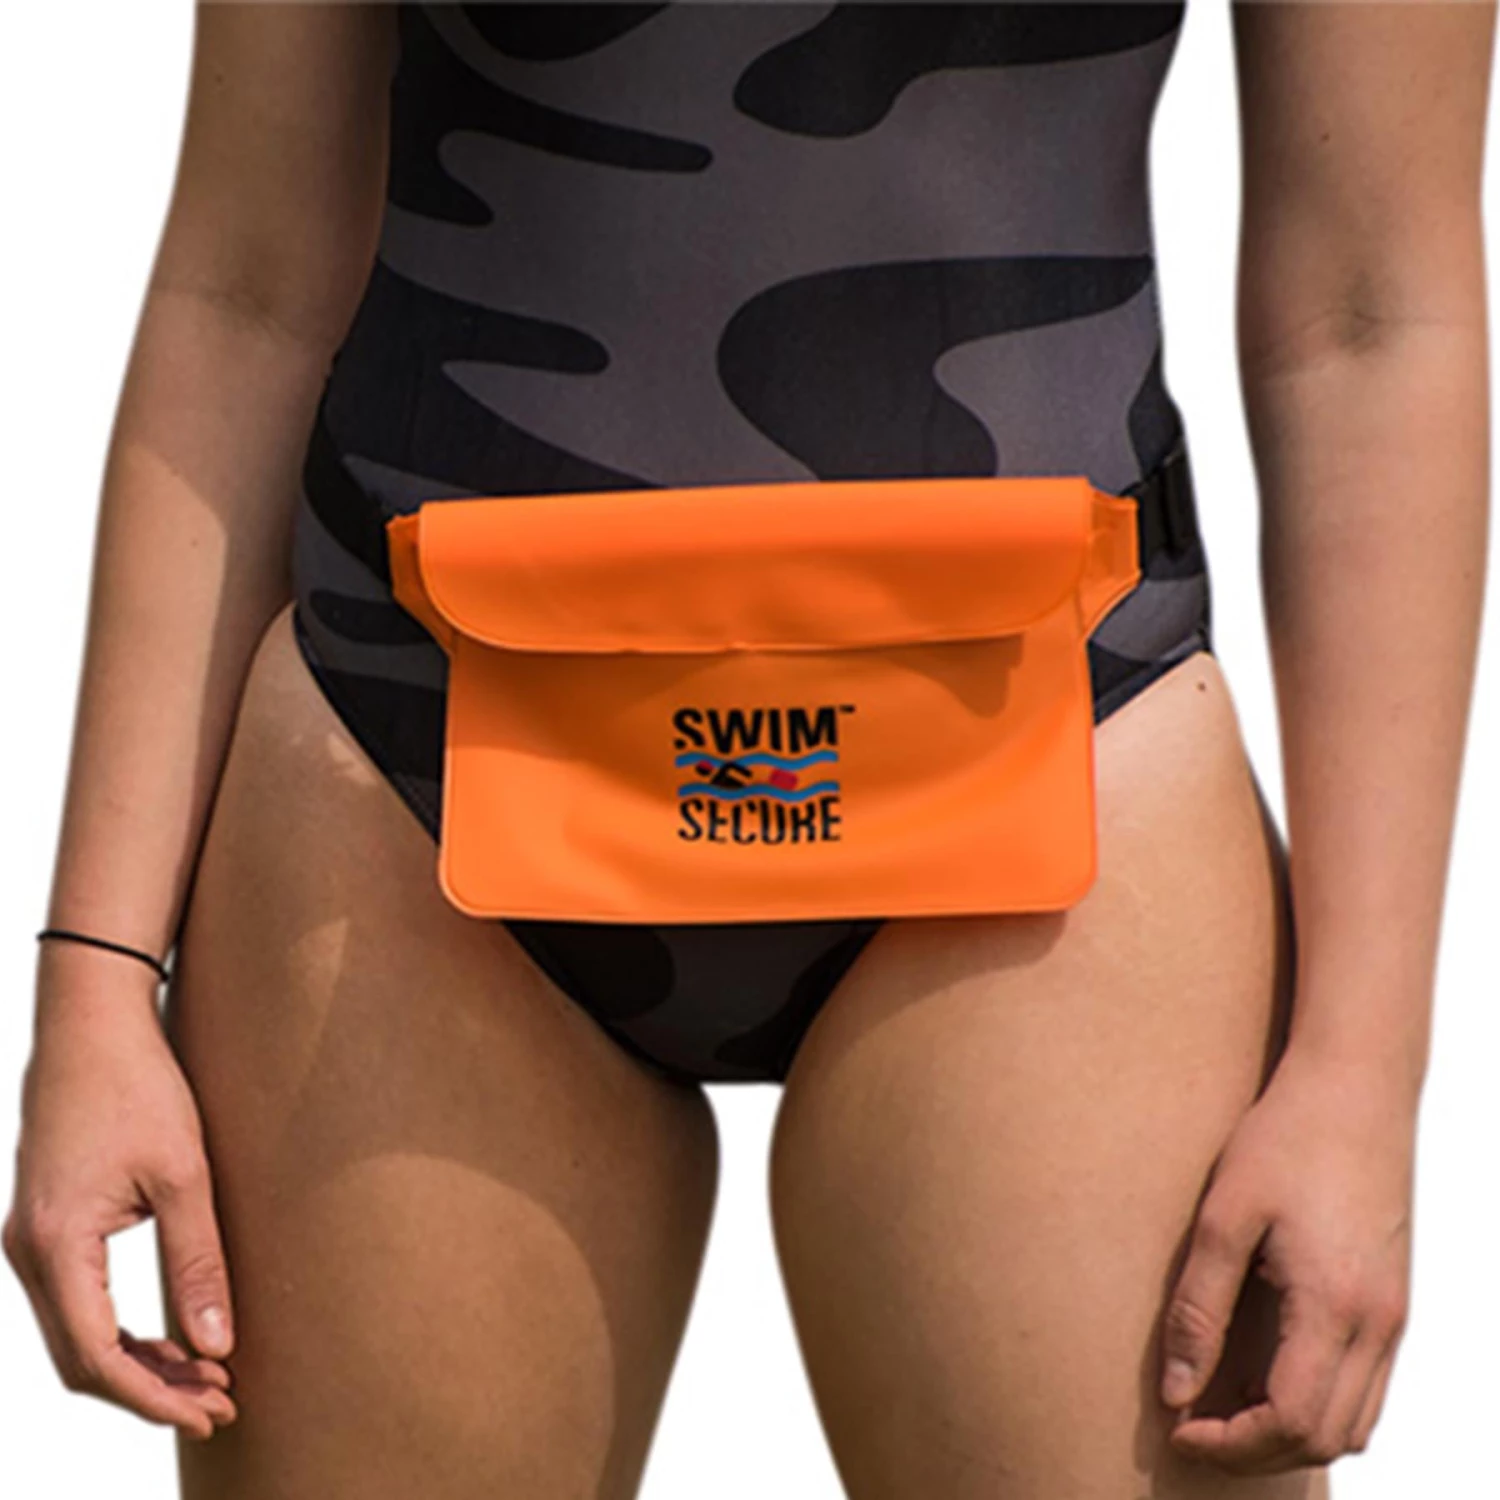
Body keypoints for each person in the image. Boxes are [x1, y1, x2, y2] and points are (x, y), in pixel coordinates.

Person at [4, 3, 1492, 1495]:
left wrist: (1361, 1077)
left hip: (1053, 760)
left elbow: (1371, 312)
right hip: (411, 765)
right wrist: (94, 981)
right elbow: (247, 282)